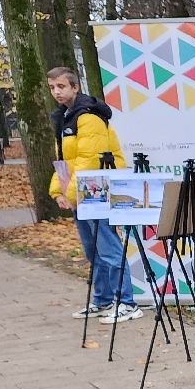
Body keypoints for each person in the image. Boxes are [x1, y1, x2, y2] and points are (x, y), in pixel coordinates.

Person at [49, 66, 139, 322]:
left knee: (108, 247)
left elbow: (89, 161)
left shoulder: (88, 118)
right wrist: (59, 191)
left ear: (75, 87)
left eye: (62, 86)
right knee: (92, 251)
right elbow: (65, 161)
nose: (57, 92)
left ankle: (127, 302)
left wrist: (71, 193)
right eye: (53, 87)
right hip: (80, 192)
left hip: (97, 189)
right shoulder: (64, 118)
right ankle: (102, 300)